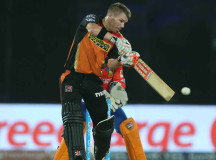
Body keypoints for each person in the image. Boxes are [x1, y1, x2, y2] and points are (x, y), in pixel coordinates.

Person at [57, 2, 139, 160]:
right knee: (73, 119)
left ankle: (99, 153)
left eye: (124, 23)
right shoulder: (92, 19)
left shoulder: (114, 42)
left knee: (105, 122)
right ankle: (77, 156)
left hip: (93, 81)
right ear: (111, 16)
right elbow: (91, 29)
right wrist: (116, 40)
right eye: (121, 21)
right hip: (72, 76)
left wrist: (124, 59)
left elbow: (110, 65)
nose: (122, 26)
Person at [54, 61, 147, 160]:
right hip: (85, 101)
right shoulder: (90, 56)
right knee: (75, 128)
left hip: (106, 103)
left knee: (129, 126)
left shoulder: (115, 61)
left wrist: (118, 89)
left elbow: (118, 79)